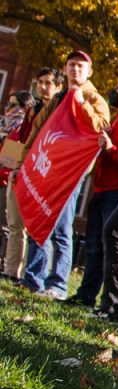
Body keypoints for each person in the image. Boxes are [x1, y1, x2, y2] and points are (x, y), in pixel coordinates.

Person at [21, 51, 109, 299]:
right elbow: (37, 131)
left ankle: (58, 284)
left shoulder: (94, 99)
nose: (75, 70)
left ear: (89, 71)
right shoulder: (58, 98)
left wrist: (81, 104)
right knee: (39, 220)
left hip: (70, 174)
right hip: (46, 168)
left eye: (81, 66)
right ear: (66, 68)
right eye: (71, 65)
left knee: (61, 228)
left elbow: (102, 129)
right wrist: (22, 163)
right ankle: (33, 278)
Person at [67, 75, 118, 309]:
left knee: (113, 246)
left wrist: (110, 147)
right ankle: (86, 295)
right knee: (94, 246)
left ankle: (110, 302)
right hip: (101, 189)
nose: (114, 91)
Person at [3, 69, 62, 280]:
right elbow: (24, 140)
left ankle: (35, 276)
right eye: (40, 82)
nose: (43, 87)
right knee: (14, 225)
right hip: (21, 171)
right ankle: (11, 272)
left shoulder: (60, 112)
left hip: (43, 174)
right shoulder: (32, 111)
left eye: (48, 83)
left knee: (37, 229)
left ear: (58, 87)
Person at [0, 90, 35, 273]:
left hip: (9, 181)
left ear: (25, 108)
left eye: (14, 105)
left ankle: (7, 267)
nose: (9, 109)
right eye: (8, 104)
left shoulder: (25, 129)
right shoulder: (5, 127)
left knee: (7, 226)